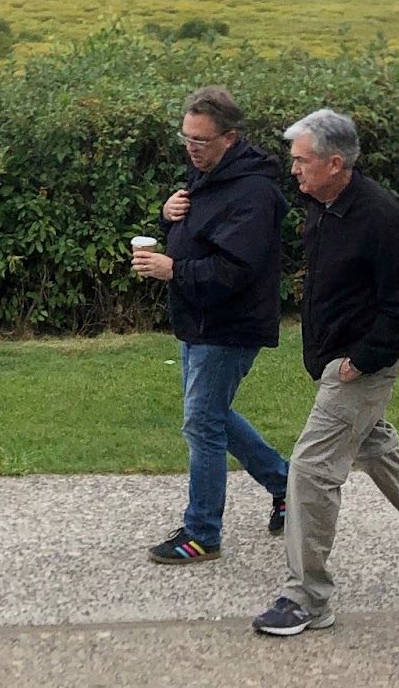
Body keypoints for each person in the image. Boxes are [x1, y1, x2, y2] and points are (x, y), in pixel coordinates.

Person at [252, 108, 399, 637]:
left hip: (360, 368)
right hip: (335, 361)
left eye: (302, 161)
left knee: (310, 470)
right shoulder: (322, 205)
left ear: (336, 163)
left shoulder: (381, 217)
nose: (294, 172)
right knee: (378, 451)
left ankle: (307, 597)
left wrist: (362, 361)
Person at [132, 85, 290, 565]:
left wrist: (172, 269)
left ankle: (202, 534)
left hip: (230, 324)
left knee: (201, 422)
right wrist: (170, 216)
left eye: (200, 141)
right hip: (197, 319)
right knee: (212, 416)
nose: (191, 149)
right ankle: (288, 487)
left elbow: (235, 270)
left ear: (230, 137)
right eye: (186, 139)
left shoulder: (254, 191)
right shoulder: (208, 175)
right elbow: (198, 233)